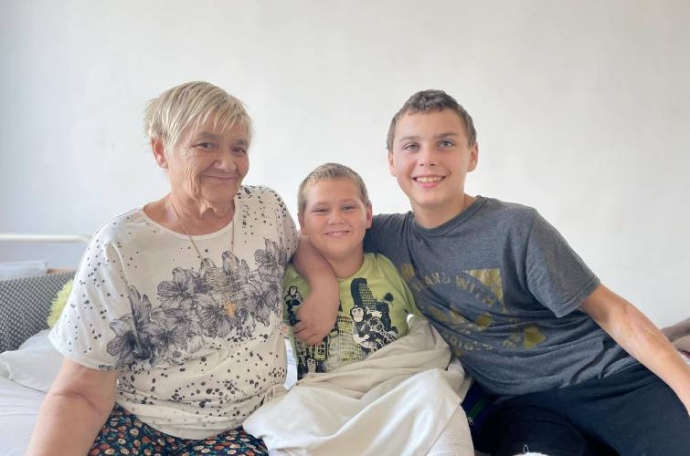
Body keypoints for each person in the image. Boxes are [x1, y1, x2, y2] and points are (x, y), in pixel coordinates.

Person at [298, 91, 690, 456]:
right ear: (391, 162)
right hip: (522, 406)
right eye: (412, 146)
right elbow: (301, 236)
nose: (427, 158)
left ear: (472, 155)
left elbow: (612, 311)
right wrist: (323, 284)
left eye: (445, 143)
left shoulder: (516, 227)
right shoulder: (384, 234)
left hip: (608, 379)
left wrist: (685, 387)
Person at [26, 81, 329, 456]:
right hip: (141, 422)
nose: (228, 163)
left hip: (247, 424)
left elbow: (299, 245)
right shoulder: (119, 247)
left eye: (239, 148)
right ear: (160, 150)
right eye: (206, 145)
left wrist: (324, 285)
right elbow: (80, 391)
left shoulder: (266, 209)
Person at [243, 163, 474, 455]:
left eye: (348, 207)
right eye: (321, 210)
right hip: (324, 397)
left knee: (435, 393)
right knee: (285, 416)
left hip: (392, 391)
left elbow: (438, 323)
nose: (335, 218)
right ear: (302, 222)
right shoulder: (286, 279)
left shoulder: (392, 270)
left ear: (368, 214)